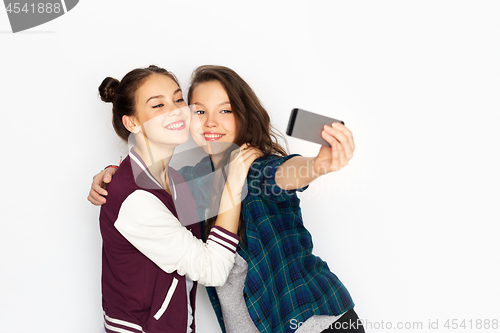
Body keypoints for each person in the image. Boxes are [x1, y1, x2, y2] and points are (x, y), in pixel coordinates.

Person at [89, 65, 364, 333]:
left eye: (225, 110)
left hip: (316, 322)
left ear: (243, 115)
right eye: (199, 111)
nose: (210, 121)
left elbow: (282, 174)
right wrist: (113, 174)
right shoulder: (190, 181)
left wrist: (317, 165)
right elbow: (148, 192)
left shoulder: (254, 167)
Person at [96, 65, 261, 333]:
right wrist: (235, 179)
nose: (175, 110)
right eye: (158, 105)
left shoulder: (174, 179)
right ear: (132, 123)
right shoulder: (134, 199)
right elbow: (214, 270)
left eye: (178, 99)